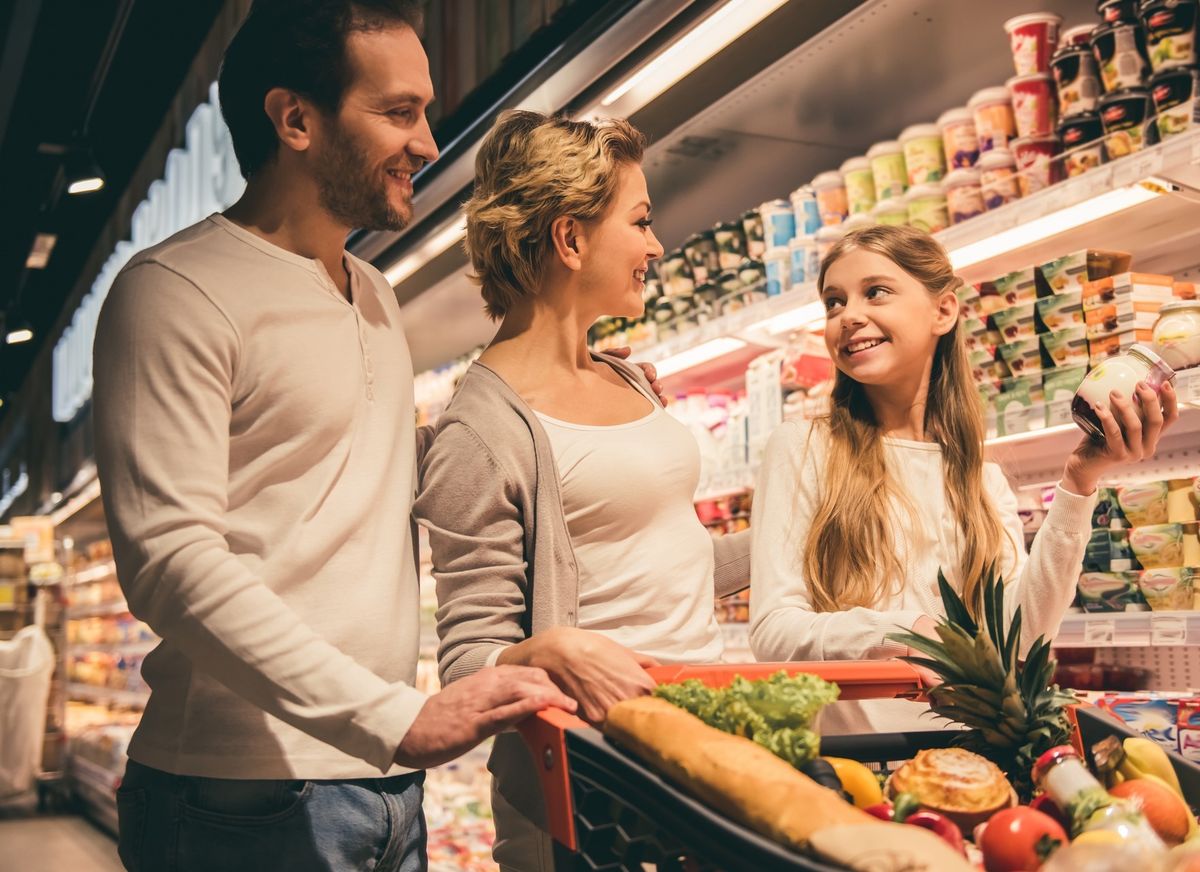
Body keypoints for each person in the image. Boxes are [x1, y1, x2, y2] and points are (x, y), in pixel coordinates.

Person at [91, 3, 578, 870]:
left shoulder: (376, 294)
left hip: (388, 789)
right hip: (239, 799)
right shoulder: (174, 291)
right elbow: (168, 557)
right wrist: (396, 715)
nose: (427, 143)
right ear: (296, 119)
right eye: (398, 113)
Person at [413, 110, 751, 871]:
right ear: (569, 239)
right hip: (597, 787)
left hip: (704, 746)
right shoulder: (481, 430)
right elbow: (469, 663)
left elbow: (666, 566)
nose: (657, 246)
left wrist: (805, 536)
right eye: (640, 221)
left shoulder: (627, 376)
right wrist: (555, 650)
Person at [749, 224, 1179, 734]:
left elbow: (1021, 639)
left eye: (876, 292)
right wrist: (909, 632)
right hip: (848, 762)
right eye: (834, 302)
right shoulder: (802, 448)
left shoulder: (979, 478)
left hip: (966, 758)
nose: (849, 316)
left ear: (944, 311)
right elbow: (773, 632)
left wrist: (1080, 480)